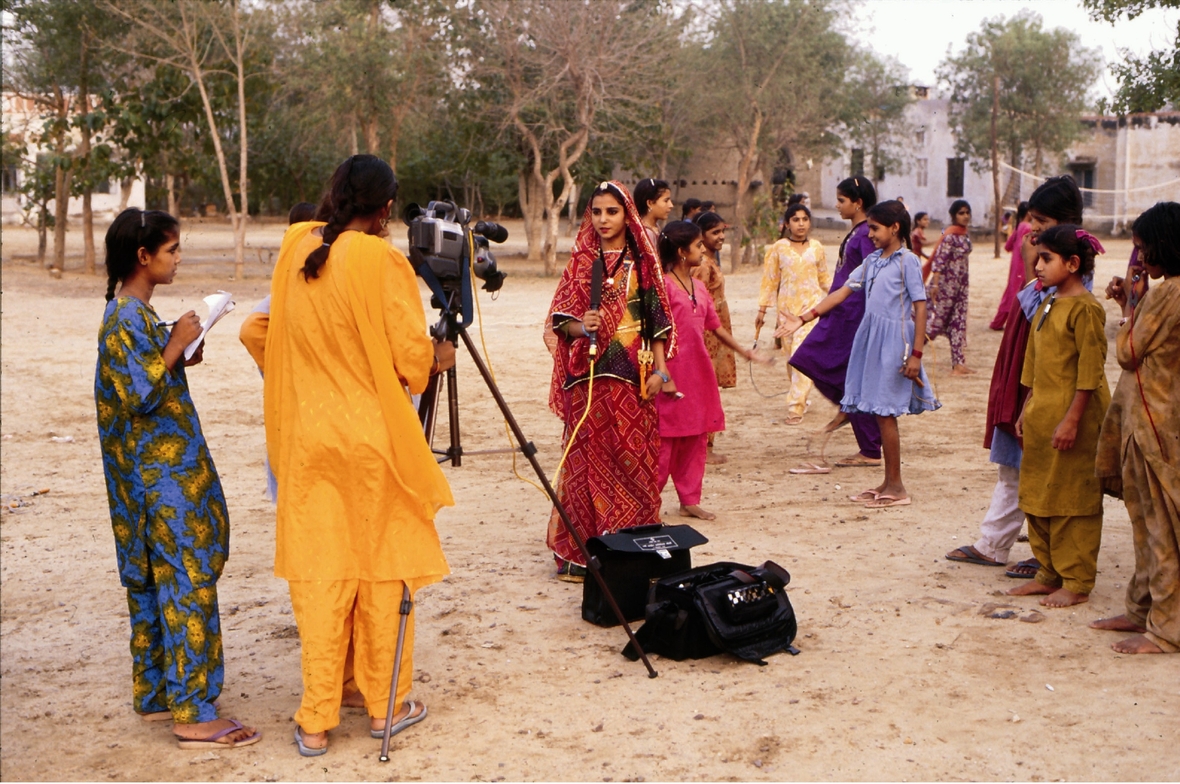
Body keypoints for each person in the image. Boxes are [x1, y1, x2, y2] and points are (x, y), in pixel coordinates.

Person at [263, 155, 455, 755]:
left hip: (309, 442)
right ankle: (385, 708)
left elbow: (268, 330)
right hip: (373, 442)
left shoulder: (295, 247)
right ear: (387, 208)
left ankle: (316, 720)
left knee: (321, 575)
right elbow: (409, 362)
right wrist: (436, 358)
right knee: (381, 569)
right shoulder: (381, 259)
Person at [96, 208, 260, 750]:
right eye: (171, 251)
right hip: (158, 483)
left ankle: (158, 695)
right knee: (185, 580)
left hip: (154, 479)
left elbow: (146, 381)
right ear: (143, 257)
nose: (178, 259)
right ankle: (192, 709)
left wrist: (177, 355)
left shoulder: (136, 317)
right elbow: (138, 394)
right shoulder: (124, 318)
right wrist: (173, 348)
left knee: (152, 581)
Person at [946, 176, 1086, 575]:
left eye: (1041, 221)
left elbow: (1043, 313)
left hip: (1045, 378)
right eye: (1031, 219)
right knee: (1014, 462)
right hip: (1022, 367)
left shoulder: (1072, 266)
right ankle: (994, 543)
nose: (1033, 228)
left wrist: (1032, 264)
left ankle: (1046, 556)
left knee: (1040, 467)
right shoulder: (1048, 257)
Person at [545, 181, 675, 581]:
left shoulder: (643, 261)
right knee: (584, 464)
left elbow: (657, 319)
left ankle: (632, 547)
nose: (603, 220)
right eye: (597, 212)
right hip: (586, 383)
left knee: (634, 461)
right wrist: (580, 327)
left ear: (627, 215)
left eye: (612, 212)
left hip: (632, 379)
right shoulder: (581, 261)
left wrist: (660, 370)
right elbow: (560, 319)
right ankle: (583, 554)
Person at [776, 200, 938, 507]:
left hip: (894, 343)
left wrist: (916, 354)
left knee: (885, 414)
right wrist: (805, 317)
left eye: (875, 228)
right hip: (871, 341)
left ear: (895, 228)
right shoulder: (874, 261)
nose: (871, 234)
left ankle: (897, 487)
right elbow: (843, 291)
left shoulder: (908, 262)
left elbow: (920, 306)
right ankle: (888, 481)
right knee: (878, 412)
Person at [1091, 201, 1180, 654]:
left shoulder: (1170, 294)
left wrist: (1129, 306)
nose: (1139, 258)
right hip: (1152, 422)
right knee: (1146, 525)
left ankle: (1165, 631)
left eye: (1143, 248)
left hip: (1157, 428)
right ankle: (1140, 610)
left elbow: (1128, 351)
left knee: (1161, 530)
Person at [1007, 225, 1110, 609]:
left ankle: (1077, 580)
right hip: (1041, 414)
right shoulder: (1047, 302)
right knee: (1038, 494)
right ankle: (1048, 573)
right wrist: (1025, 407)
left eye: (1047, 259)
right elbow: (1034, 362)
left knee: (1073, 499)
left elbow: (1090, 370)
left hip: (1073, 417)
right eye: (1037, 257)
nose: (1037, 265)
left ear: (1072, 263)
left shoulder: (1086, 309)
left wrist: (1072, 419)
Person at [657, 221, 764, 520]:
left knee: (695, 437)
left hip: (698, 372)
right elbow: (654, 334)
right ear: (681, 252)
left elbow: (714, 327)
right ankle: (649, 500)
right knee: (665, 439)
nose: (703, 250)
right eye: (697, 246)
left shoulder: (700, 287)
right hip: (671, 371)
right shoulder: (662, 287)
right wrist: (662, 373)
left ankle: (689, 498)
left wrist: (744, 351)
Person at [788, 176, 883, 474]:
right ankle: (852, 415)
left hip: (852, 314)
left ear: (858, 203)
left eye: (842, 200)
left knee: (825, 365)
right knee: (815, 362)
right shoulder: (858, 231)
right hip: (840, 310)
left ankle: (867, 442)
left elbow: (873, 274)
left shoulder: (868, 233)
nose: (837, 205)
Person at [755, 202, 832, 425]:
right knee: (791, 359)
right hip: (786, 312)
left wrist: (842, 295)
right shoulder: (778, 248)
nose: (801, 224)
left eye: (804, 219)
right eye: (796, 220)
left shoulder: (817, 247)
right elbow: (770, 281)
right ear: (787, 224)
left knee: (802, 355)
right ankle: (801, 396)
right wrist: (762, 311)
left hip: (810, 312)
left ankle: (795, 406)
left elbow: (824, 278)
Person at [691, 211, 737, 464]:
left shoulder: (710, 260)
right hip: (707, 333)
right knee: (704, 387)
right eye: (715, 232)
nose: (720, 237)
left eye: (722, 232)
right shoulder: (702, 265)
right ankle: (703, 448)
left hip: (716, 330)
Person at [926, 199, 975, 375]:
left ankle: (958, 364)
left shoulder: (964, 235)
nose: (966, 216)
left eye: (967, 212)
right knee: (934, 324)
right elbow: (939, 261)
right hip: (946, 287)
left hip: (961, 287)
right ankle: (908, 357)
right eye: (961, 213)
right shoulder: (950, 236)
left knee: (958, 323)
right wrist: (936, 285)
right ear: (954, 215)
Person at [989, 202, 1031, 330]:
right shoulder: (1028, 227)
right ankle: (1015, 325)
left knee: (1010, 294)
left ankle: (997, 322)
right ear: (1029, 213)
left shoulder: (1019, 227)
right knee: (1018, 295)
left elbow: (1008, 246)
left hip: (1014, 267)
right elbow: (1022, 247)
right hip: (1022, 266)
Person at [635, 177, 674, 248]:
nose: (671, 205)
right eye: (666, 201)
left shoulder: (655, 227)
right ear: (650, 203)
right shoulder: (646, 233)